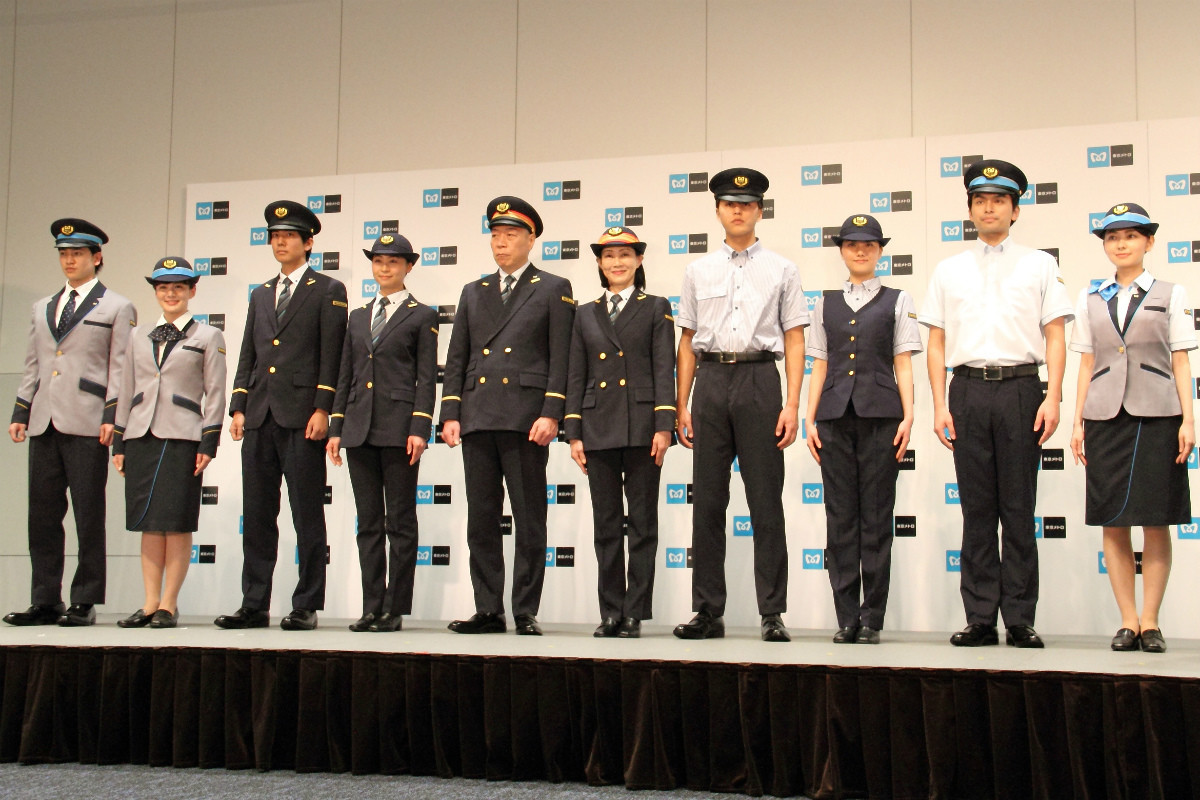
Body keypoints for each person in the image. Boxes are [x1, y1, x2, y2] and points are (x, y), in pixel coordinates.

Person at [919, 159, 1073, 648]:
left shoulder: (1040, 264)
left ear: (1015, 209)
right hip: (966, 392)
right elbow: (937, 343)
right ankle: (981, 617)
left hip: (1022, 390)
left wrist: (1054, 395)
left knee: (1018, 508)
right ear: (970, 209)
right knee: (977, 510)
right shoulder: (949, 269)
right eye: (981, 201)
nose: (990, 208)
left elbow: (1055, 334)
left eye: (1000, 200)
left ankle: (1021, 619)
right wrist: (940, 405)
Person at [672, 168, 807, 643]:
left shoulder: (783, 269)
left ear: (759, 210)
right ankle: (708, 611)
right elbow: (687, 339)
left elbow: (794, 338)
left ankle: (773, 611)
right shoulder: (697, 270)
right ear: (717, 211)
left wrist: (791, 403)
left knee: (766, 501)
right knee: (707, 503)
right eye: (729, 203)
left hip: (758, 381)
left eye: (746, 204)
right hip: (709, 382)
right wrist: (680, 404)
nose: (737, 210)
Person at [440, 196, 575, 636]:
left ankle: (525, 610)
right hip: (478, 416)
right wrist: (451, 412)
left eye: (511, 235)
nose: (501, 243)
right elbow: (457, 356)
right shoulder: (473, 291)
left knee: (529, 517)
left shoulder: (553, 286)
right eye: (496, 235)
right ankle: (488, 609)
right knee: (481, 520)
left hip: (525, 418)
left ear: (531, 239)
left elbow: (562, 356)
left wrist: (552, 411)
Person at [215, 200, 348, 631]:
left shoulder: (328, 290)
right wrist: (238, 404)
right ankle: (254, 603)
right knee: (257, 514)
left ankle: (306, 602)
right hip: (260, 415)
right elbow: (248, 353)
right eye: (275, 236)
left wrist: (324, 407)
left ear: (309, 243)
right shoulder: (259, 293)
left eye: (289, 236)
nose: (280, 242)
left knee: (306, 513)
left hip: (302, 416)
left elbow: (334, 355)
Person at [1068, 203, 1195, 654]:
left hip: (1158, 416)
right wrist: (1077, 418)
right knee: (1112, 521)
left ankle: (1151, 621)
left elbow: (1181, 359)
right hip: (1105, 417)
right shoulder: (1091, 298)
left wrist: (1188, 419)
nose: (1120, 244)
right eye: (1111, 237)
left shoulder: (1171, 293)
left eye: (1130, 236)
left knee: (1156, 520)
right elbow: (1086, 361)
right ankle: (1126, 621)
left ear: (1149, 242)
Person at [5, 219, 136, 627]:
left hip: (87, 421)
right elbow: (34, 363)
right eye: (63, 253)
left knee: (87, 512)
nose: (69, 260)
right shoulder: (42, 306)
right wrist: (21, 410)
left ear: (96, 257)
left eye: (77, 253)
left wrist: (112, 418)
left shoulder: (117, 306)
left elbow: (121, 368)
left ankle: (85, 598)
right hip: (44, 420)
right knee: (42, 515)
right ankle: (45, 598)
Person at [804, 215, 921, 645]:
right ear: (841, 250)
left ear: (879, 251)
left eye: (868, 245)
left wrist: (909, 415)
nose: (860, 251)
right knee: (841, 521)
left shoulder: (898, 298)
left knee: (875, 519)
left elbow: (904, 361)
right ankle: (846, 617)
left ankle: (872, 618)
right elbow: (818, 362)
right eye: (852, 244)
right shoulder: (823, 302)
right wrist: (809, 417)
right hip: (834, 418)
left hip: (881, 419)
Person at [565, 227, 675, 638]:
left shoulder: (655, 307)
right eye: (609, 256)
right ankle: (610, 609)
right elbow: (575, 375)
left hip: (644, 426)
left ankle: (635, 612)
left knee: (643, 524)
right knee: (606, 524)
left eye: (625, 255)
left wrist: (665, 425)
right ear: (598, 263)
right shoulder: (584, 313)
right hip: (598, 427)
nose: (617, 263)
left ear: (639, 261)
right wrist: (573, 432)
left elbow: (666, 369)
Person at [327, 235, 438, 632]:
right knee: (369, 523)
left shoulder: (422, 314)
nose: (385, 268)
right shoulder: (357, 316)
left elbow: (427, 378)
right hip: (359, 429)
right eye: (378, 261)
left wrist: (420, 427)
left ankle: (395, 607)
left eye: (394, 261)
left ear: (409, 266)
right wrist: (336, 426)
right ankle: (371, 604)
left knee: (401, 522)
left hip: (399, 428)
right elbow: (346, 375)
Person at [111, 258, 227, 629]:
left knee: (175, 523)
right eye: (163, 288)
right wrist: (118, 441)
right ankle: (147, 603)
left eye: (179, 287)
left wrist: (208, 442)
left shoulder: (208, 336)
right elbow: (125, 387)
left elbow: (216, 393)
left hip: (182, 438)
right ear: (156, 293)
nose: (171, 294)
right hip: (140, 435)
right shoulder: (137, 335)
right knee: (148, 523)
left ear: (192, 291)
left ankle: (168, 604)